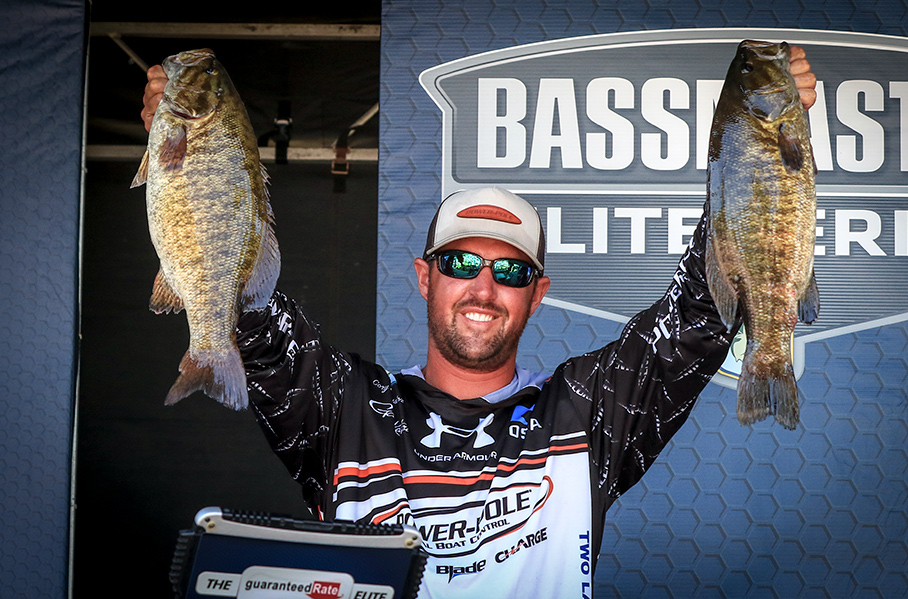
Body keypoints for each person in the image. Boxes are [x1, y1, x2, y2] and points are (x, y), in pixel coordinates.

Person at [141, 48, 817, 598]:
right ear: (425, 276)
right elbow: (248, 309)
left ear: (537, 294)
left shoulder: (585, 413)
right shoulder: (344, 408)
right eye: (460, 262)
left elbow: (699, 312)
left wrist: (757, 146)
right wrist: (197, 154)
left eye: (512, 270)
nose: (484, 287)